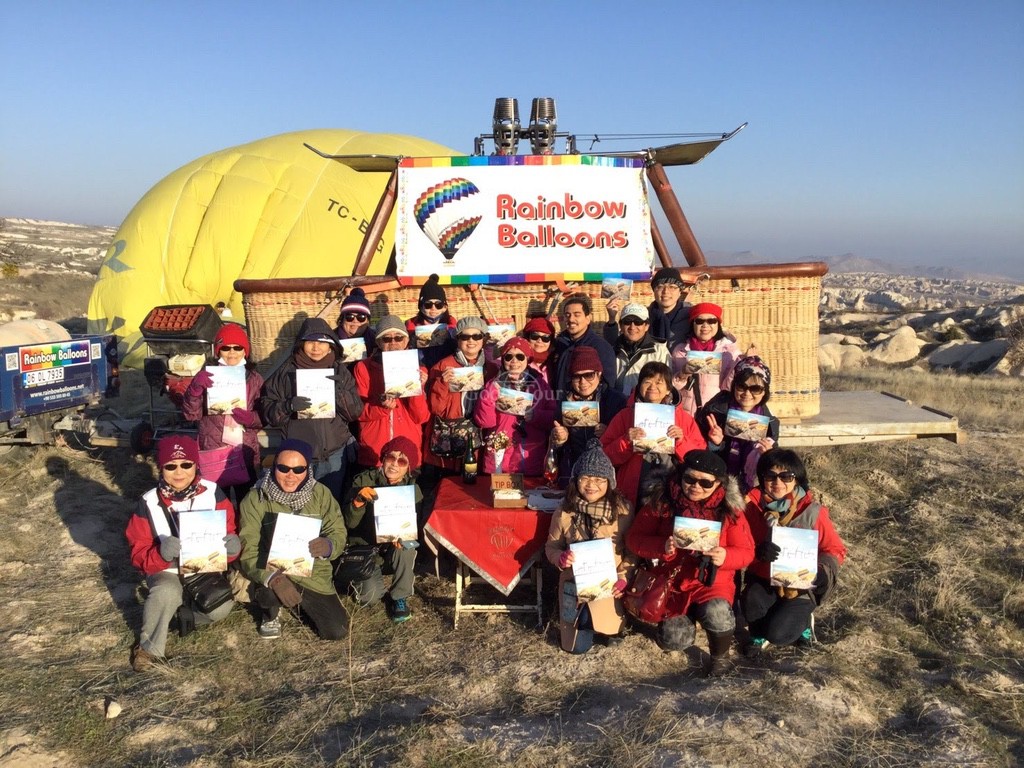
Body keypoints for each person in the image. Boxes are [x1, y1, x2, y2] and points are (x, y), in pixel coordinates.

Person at [625, 450, 754, 676]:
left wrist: (725, 556)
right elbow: (634, 539)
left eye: (705, 483)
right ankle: (683, 621)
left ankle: (720, 657)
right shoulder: (661, 502)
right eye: (689, 479)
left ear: (719, 483)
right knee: (674, 640)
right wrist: (661, 547)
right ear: (681, 475)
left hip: (712, 581)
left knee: (717, 613)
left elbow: (747, 551)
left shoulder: (730, 510)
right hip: (673, 583)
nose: (696, 486)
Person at [125, 435, 239, 671]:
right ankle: (149, 648)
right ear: (161, 468)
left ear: (196, 465)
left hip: (203, 567)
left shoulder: (213, 492)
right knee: (165, 592)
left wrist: (232, 550)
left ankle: (180, 616)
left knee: (221, 607)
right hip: (164, 569)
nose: (179, 472)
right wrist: (160, 554)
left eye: (186, 464)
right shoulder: (148, 502)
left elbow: (228, 531)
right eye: (171, 466)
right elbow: (138, 553)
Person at [238, 439, 349, 641]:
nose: (291, 475)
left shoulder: (321, 494)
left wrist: (329, 545)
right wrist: (273, 579)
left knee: (337, 630)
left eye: (298, 469)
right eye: (283, 468)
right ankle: (270, 613)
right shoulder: (255, 498)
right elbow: (248, 550)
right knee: (268, 593)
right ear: (274, 466)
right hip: (271, 569)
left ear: (308, 469)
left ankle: (297, 603)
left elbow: (337, 531)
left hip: (312, 573)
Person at [741, 448, 846, 657]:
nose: (777, 482)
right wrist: (757, 552)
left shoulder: (812, 512)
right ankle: (758, 634)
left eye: (786, 476)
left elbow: (834, 549)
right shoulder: (749, 507)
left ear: (796, 479)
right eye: (770, 476)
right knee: (751, 601)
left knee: (778, 634)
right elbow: (738, 544)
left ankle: (804, 624)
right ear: (762, 478)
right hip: (764, 578)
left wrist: (822, 571)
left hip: (800, 585)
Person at [546, 438, 635, 653]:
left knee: (604, 626)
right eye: (585, 478)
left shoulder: (623, 511)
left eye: (599, 479)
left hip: (609, 584)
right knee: (576, 648)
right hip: (574, 584)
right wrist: (560, 558)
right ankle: (584, 623)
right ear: (576, 480)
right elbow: (551, 547)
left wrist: (623, 578)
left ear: (609, 482)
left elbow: (632, 552)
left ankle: (610, 625)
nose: (591, 485)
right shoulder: (564, 511)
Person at [260, 318, 364, 501]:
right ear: (302, 344)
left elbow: (354, 412)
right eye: (310, 342)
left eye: (322, 342)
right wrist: (288, 406)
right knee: (299, 504)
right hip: (297, 458)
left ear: (331, 346)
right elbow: (268, 411)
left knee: (330, 502)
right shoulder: (285, 373)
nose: (316, 347)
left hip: (333, 454)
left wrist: (339, 393)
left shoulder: (340, 371)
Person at [600, 361, 705, 508]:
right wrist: (626, 441)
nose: (652, 387)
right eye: (647, 381)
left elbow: (701, 458)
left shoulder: (683, 418)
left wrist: (681, 441)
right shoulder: (625, 416)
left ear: (668, 389)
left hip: (671, 487)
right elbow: (604, 456)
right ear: (639, 386)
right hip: (632, 489)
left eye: (659, 382)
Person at [340, 436, 423, 623]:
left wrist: (404, 535)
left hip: (392, 548)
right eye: (390, 458)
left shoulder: (413, 489)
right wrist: (358, 502)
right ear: (383, 459)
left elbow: (415, 526)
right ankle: (356, 577)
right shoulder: (363, 480)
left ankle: (400, 596)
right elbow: (349, 523)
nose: (394, 464)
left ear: (408, 467)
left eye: (402, 461)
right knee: (369, 599)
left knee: (408, 547)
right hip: (365, 547)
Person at [421, 316, 497, 516]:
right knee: (448, 495)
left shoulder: (492, 368)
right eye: (465, 337)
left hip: (478, 439)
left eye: (476, 336)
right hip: (449, 438)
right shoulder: (443, 366)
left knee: (475, 494)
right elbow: (436, 409)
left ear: (483, 339)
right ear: (457, 339)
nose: (471, 341)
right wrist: (442, 383)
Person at [181, 323, 264, 499]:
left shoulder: (255, 379)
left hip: (244, 448)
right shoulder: (206, 376)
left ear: (245, 351)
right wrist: (195, 390)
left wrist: (251, 419)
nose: (232, 353)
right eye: (226, 348)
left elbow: (264, 415)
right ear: (218, 350)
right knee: (217, 501)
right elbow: (191, 414)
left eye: (237, 347)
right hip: (214, 448)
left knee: (247, 501)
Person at [353, 315, 430, 470]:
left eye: (399, 337)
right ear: (378, 342)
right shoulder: (363, 368)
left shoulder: (419, 369)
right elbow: (357, 412)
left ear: (406, 340)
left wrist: (418, 390)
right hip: (374, 450)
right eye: (387, 339)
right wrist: (381, 407)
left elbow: (421, 417)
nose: (393, 343)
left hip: (406, 453)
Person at [474, 336, 556, 475]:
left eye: (520, 356)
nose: (514, 361)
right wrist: (491, 392)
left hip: (531, 458)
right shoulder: (494, 384)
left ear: (528, 359)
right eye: (508, 357)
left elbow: (553, 417)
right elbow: (485, 422)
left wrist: (536, 416)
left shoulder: (540, 385)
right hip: (500, 459)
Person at [697, 356, 779, 494]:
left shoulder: (771, 424)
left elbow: (775, 467)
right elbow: (697, 453)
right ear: (734, 386)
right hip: (715, 483)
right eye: (741, 386)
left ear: (764, 391)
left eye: (755, 389)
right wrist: (715, 444)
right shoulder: (715, 412)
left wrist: (768, 455)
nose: (747, 393)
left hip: (750, 489)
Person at [549, 345, 628, 484]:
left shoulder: (616, 400)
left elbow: (627, 440)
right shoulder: (564, 401)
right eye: (576, 376)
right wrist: (560, 438)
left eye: (589, 375)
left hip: (605, 475)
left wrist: (610, 433)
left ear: (599, 374)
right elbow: (556, 447)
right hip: (573, 472)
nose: (583, 382)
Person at [670, 302, 744, 415]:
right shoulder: (680, 351)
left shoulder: (729, 351)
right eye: (699, 321)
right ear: (693, 324)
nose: (705, 325)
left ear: (718, 324)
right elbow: (671, 388)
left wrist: (742, 362)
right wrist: (682, 375)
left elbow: (730, 388)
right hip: (686, 414)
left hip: (714, 414)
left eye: (711, 321)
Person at [605, 267, 690, 349]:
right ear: (654, 291)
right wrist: (612, 319)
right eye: (660, 286)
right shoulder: (642, 317)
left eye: (672, 287)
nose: (666, 291)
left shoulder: (691, 316)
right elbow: (616, 344)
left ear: (680, 291)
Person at [550, 293, 617, 397]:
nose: (571, 319)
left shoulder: (600, 346)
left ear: (587, 318)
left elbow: (608, 383)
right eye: (567, 315)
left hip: (586, 404)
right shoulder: (559, 344)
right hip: (558, 401)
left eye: (577, 315)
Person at [610, 302, 670, 396]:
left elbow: (666, 384)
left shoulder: (660, 351)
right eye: (627, 322)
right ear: (621, 325)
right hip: (617, 402)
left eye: (638, 322)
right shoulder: (612, 350)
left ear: (646, 326)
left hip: (646, 403)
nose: (632, 327)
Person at [406, 273, 457, 370]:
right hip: (420, 372)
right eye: (428, 305)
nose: (433, 308)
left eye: (438, 305)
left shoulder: (454, 328)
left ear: (445, 307)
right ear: (421, 307)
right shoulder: (409, 329)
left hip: (443, 372)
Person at [334, 286, 375, 364]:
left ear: (367, 320)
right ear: (342, 319)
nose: (355, 321)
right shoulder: (331, 341)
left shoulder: (377, 341)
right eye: (350, 317)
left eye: (361, 317)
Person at [521, 316, 557, 385]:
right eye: (535, 336)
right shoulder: (518, 359)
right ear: (527, 338)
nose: (539, 341)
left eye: (545, 338)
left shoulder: (555, 362)